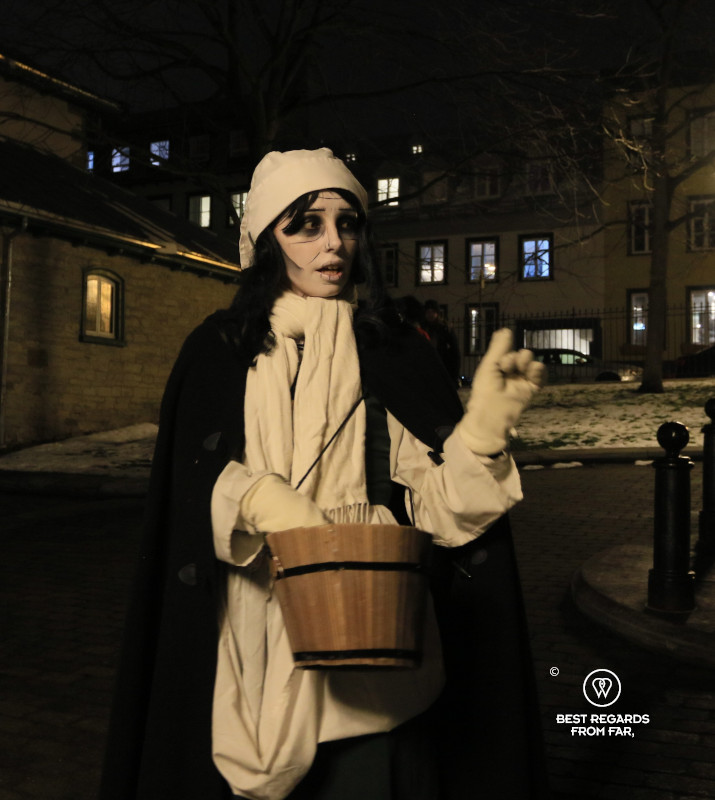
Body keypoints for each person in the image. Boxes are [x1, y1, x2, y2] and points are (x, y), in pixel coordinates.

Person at [99, 148, 547, 800]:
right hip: (257, 636)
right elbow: (185, 493)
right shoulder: (219, 351)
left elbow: (443, 518)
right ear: (264, 240)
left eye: (347, 223)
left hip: (377, 649)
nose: (333, 242)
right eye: (305, 223)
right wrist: (253, 495)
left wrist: (479, 435)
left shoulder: (391, 351)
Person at [421, 299, 461, 385]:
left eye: (432, 312)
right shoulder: (423, 328)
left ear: (437, 313)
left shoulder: (445, 328)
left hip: (442, 366)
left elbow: (455, 351)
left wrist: (454, 374)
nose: (430, 314)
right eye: (428, 312)